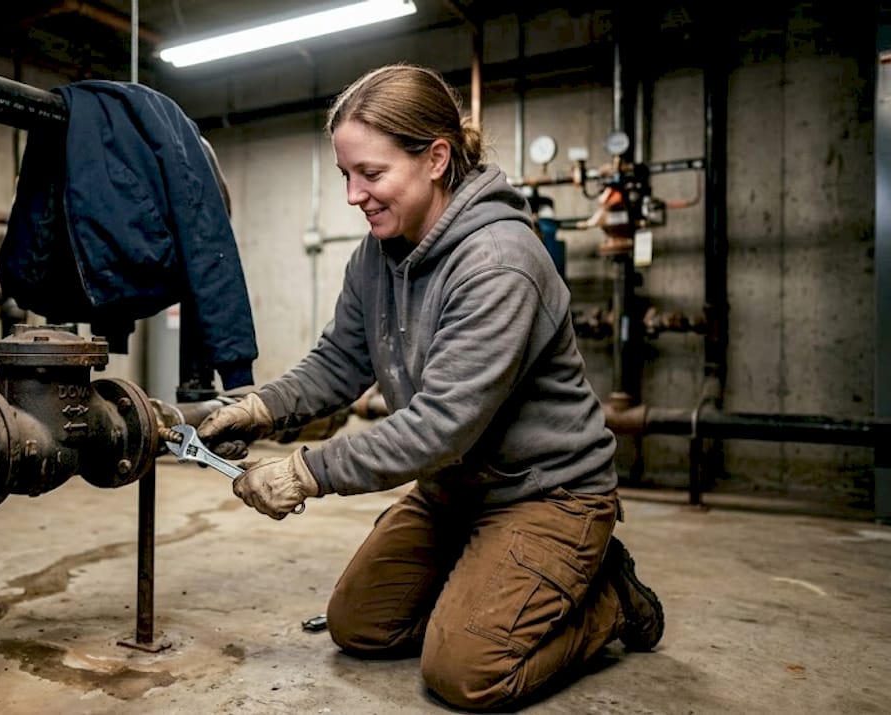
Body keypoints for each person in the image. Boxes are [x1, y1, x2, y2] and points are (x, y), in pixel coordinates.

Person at [196, 63, 664, 711]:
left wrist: (306, 471)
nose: (354, 195)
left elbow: (440, 425)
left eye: (372, 174)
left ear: (437, 158)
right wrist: (261, 407)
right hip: (456, 488)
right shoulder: (377, 257)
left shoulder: (499, 262)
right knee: (359, 624)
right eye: (345, 175)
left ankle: (608, 600)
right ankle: (495, 584)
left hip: (546, 492)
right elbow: (339, 362)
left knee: (467, 671)